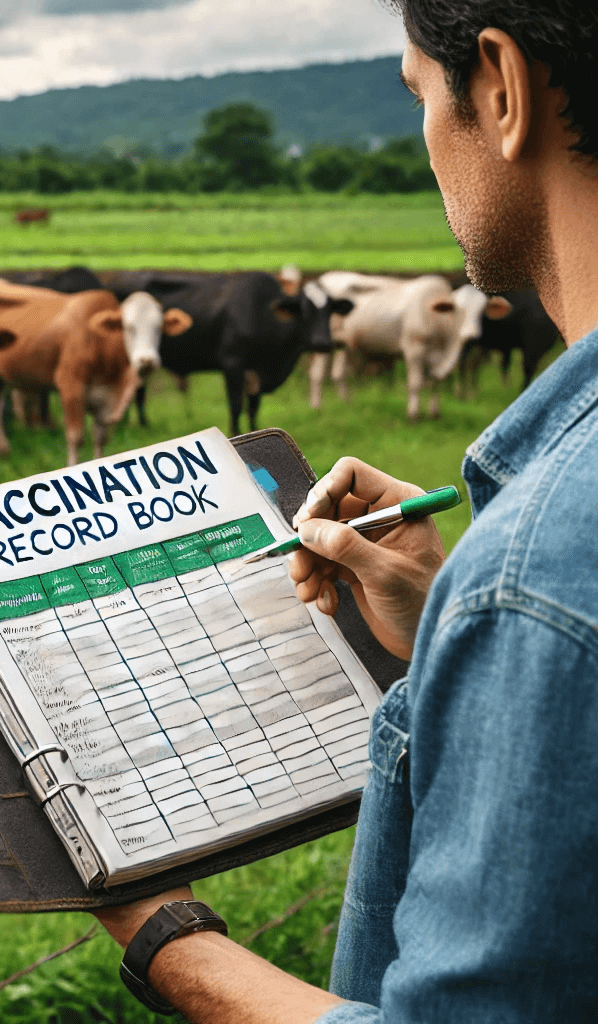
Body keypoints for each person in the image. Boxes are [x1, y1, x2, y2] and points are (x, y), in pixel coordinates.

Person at [91, 2, 598, 1020]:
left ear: (497, 88)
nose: (423, 138)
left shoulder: (538, 573)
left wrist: (165, 937)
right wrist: (442, 647)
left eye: (419, 92)